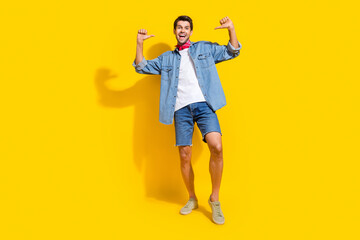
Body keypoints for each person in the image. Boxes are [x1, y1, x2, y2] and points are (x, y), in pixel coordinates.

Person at [132, 15, 241, 224]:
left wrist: (231, 30)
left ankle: (214, 199)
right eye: (179, 27)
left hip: (205, 105)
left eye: (186, 27)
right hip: (180, 109)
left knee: (216, 146)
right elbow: (141, 66)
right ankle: (192, 198)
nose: (182, 30)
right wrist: (138, 43)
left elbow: (232, 51)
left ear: (191, 32)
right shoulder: (166, 58)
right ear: (174, 31)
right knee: (184, 155)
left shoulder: (204, 49)